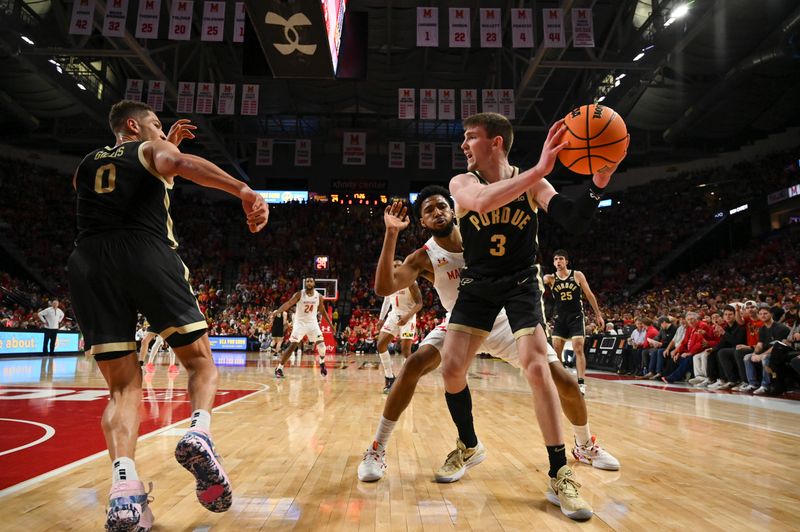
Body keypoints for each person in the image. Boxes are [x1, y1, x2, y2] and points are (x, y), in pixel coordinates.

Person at [67, 100, 268, 531]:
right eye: (156, 126)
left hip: (87, 262)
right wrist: (243, 190)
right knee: (199, 361)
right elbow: (172, 161)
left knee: (122, 389)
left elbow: (125, 185)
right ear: (134, 125)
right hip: (143, 251)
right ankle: (199, 431)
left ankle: (125, 490)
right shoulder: (145, 149)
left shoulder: (85, 164)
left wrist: (162, 164)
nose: (162, 132)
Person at [357, 189, 619, 488]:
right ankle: (377, 449)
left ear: (454, 211)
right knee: (413, 365)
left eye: (442, 206)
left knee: (567, 382)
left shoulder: (480, 238)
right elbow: (383, 287)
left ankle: (584, 445)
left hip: (504, 321)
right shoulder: (425, 257)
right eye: (429, 211)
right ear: (422, 222)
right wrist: (391, 233)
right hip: (460, 323)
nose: (437, 212)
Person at [443, 112, 623, 521]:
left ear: (496, 142)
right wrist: (541, 168)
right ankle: (469, 445)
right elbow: (481, 202)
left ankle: (560, 471)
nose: (464, 145)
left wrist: (597, 185)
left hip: (521, 282)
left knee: (537, 367)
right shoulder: (463, 182)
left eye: (471, 137)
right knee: (452, 370)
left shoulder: (534, 183)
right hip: (478, 281)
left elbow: (573, 220)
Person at [543, 250, 604, 394]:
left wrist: (598, 315)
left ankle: (581, 383)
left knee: (578, 347)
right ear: (553, 262)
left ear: (566, 261)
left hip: (576, 316)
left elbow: (589, 294)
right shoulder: (550, 278)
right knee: (556, 350)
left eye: (561, 259)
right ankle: (560, 381)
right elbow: (537, 281)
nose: (558, 261)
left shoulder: (577, 275)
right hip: (560, 317)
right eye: (556, 259)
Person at [271, 278, 334, 378]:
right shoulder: (299, 294)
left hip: (312, 323)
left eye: (311, 281)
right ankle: (279, 368)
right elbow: (288, 304)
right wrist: (278, 311)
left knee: (322, 346)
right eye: (307, 281)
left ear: (314, 283)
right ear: (305, 283)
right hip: (300, 323)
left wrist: (330, 324)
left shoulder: (318, 296)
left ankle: (322, 362)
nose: (309, 283)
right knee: (292, 346)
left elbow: (322, 311)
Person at [375, 265, 423, 393]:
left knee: (405, 352)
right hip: (393, 315)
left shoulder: (411, 282)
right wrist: (381, 318)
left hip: (408, 316)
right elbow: (386, 301)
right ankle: (389, 377)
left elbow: (419, 304)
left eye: (398, 265)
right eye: (394, 265)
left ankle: (408, 380)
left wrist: (407, 317)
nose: (396, 267)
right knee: (380, 345)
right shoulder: (389, 283)